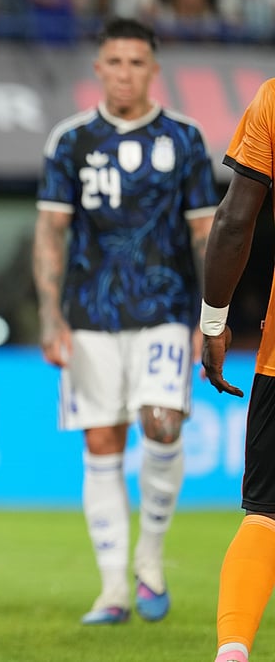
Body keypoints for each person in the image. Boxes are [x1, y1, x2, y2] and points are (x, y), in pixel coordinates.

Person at [32, 17, 219, 626]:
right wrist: (49, 316)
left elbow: (205, 234)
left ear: (153, 70)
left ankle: (150, 560)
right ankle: (113, 589)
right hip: (89, 314)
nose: (124, 73)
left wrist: (208, 317)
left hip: (165, 308)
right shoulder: (70, 141)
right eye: (114, 62)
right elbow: (50, 233)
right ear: (99, 69)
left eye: (137, 62)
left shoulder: (186, 139)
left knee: (162, 424)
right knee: (102, 440)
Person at [200, 78, 275, 662]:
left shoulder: (273, 98)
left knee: (267, 516)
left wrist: (213, 322)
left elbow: (233, 219)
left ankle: (232, 650)